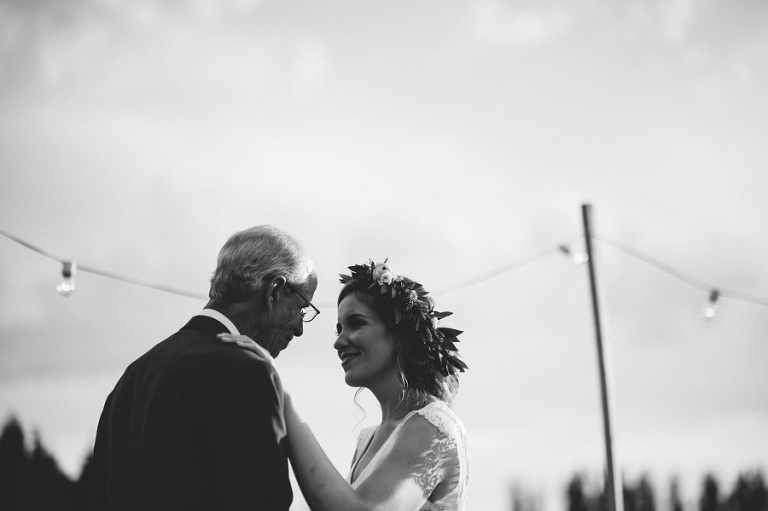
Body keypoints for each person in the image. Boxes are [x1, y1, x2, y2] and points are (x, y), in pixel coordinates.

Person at [91, 225, 318, 511]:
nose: (299, 328)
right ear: (274, 291)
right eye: (302, 307)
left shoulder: (133, 377)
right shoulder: (248, 372)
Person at [221, 259, 469, 511]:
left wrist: (281, 397)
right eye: (339, 329)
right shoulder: (367, 440)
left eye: (356, 323)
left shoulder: (433, 425)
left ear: (399, 335)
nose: (339, 342)